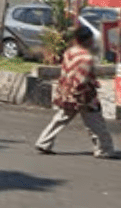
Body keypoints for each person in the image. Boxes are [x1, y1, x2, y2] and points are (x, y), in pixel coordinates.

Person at [34, 25, 115, 158]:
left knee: (60, 119)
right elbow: (81, 80)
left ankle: (43, 142)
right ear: (88, 40)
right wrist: (85, 93)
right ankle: (104, 150)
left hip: (65, 91)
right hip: (83, 95)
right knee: (96, 123)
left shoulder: (70, 52)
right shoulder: (87, 58)